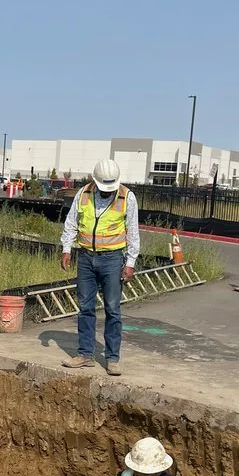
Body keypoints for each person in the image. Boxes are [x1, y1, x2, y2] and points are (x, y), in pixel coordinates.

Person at [59, 158, 140, 375]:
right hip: (86, 258)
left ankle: (112, 358)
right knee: (85, 308)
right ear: (95, 181)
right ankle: (85, 354)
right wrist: (67, 249)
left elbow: (133, 232)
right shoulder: (83, 194)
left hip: (112, 260)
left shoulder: (127, 197)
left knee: (112, 309)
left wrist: (130, 263)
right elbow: (71, 223)